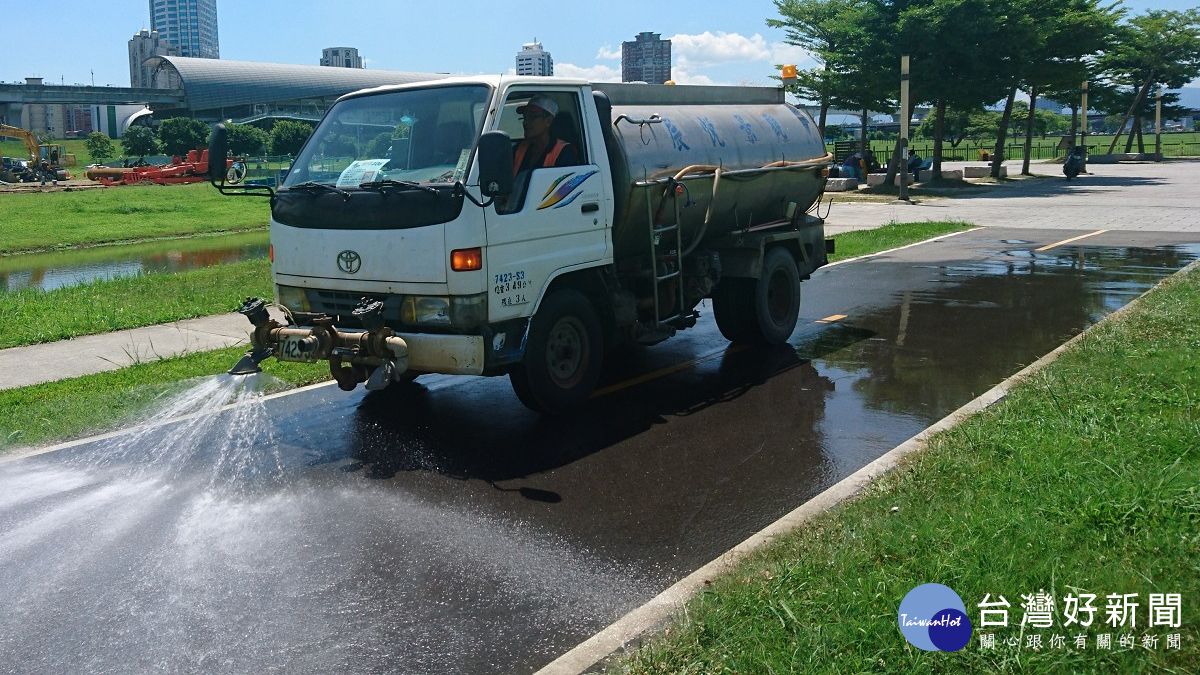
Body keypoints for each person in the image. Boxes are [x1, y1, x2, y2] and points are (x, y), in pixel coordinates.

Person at [512, 95, 579, 175]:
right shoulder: (519, 149)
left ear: (548, 121)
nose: (525, 122)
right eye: (525, 117)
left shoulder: (564, 152)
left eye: (532, 117)